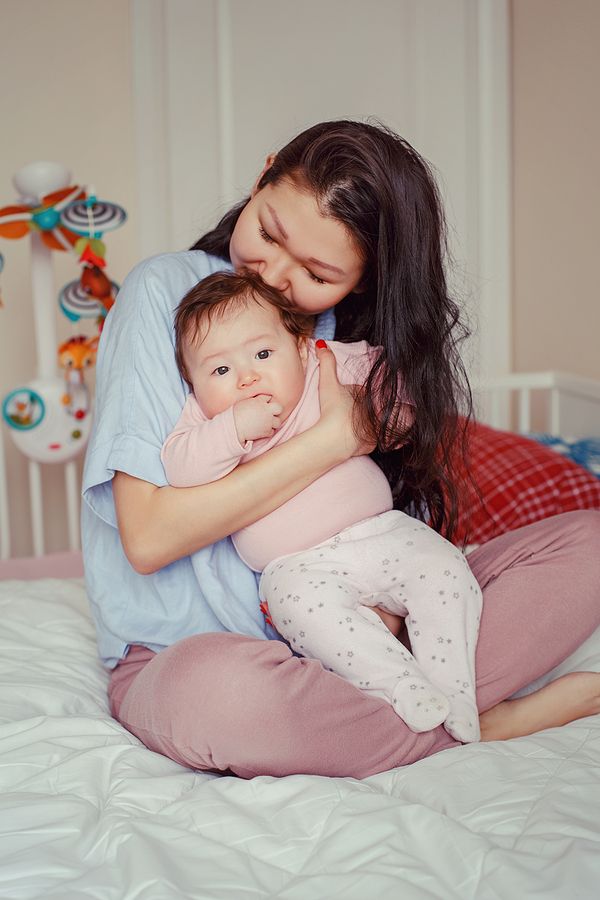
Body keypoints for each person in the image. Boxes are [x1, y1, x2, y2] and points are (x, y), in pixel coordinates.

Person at [83, 119, 600, 779]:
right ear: (263, 174)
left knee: (587, 543)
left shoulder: (348, 345)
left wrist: (386, 605)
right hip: (201, 652)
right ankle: (479, 720)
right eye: (269, 231)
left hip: (357, 635)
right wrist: (333, 439)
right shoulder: (167, 296)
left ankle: (408, 705)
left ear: (362, 281)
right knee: (218, 696)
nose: (274, 275)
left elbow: (370, 517)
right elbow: (148, 538)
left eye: (318, 273)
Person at [161, 270, 483, 742]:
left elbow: (394, 396)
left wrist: (386, 410)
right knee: (303, 613)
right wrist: (232, 429)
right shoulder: (207, 419)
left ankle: (456, 693)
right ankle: (403, 685)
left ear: (300, 344)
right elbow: (179, 467)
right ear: (193, 385)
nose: (247, 376)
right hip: (298, 567)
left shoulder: (325, 365)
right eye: (220, 370)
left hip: (380, 531)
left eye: (263, 353)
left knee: (445, 571)